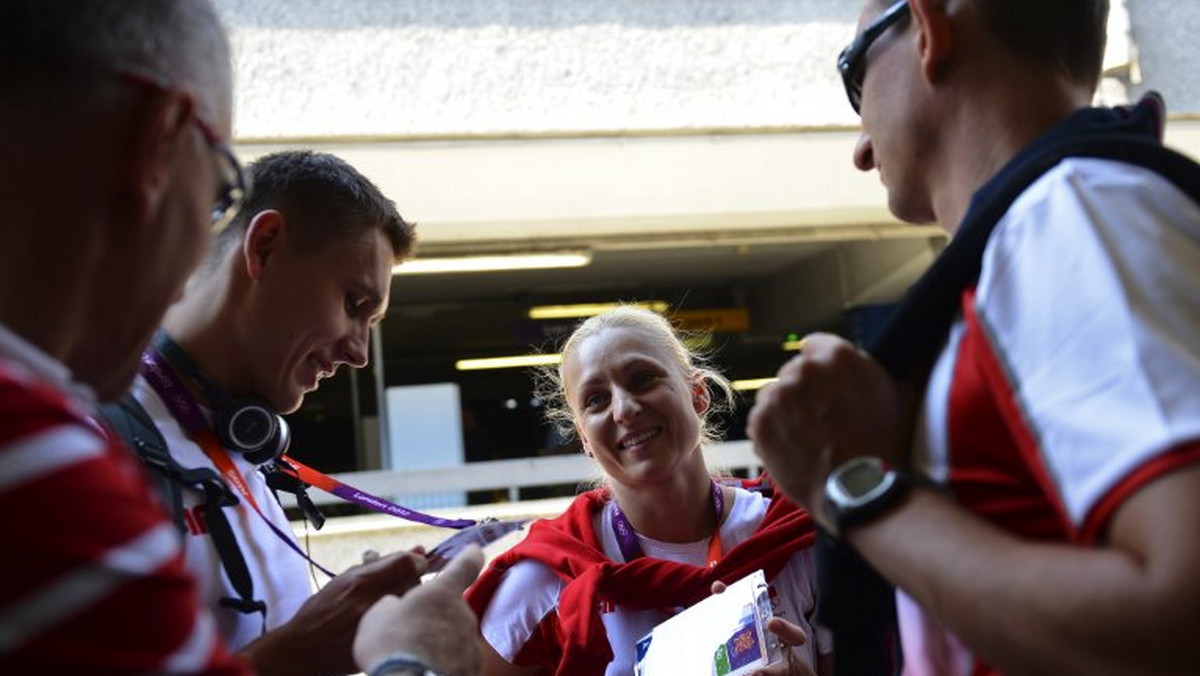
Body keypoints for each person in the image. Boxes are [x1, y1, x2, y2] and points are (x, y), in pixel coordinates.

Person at [0, 2, 482, 674]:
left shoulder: (237, 452)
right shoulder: (42, 458)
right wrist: (410, 662)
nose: (358, 353)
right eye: (218, 193)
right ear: (158, 140)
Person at [748, 1, 1200, 675]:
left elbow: (1181, 615)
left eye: (854, 75)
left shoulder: (1071, 215)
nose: (861, 148)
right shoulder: (1064, 224)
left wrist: (853, 485)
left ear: (928, 31)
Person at [100, 149, 458, 676]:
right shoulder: (88, 438)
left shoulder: (245, 447)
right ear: (265, 248)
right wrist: (298, 653)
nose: (359, 352)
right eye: (353, 304)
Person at [466, 306, 830, 676]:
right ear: (584, 438)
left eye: (642, 380)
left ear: (698, 395)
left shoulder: (797, 539)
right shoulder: (550, 575)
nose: (624, 409)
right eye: (596, 399)